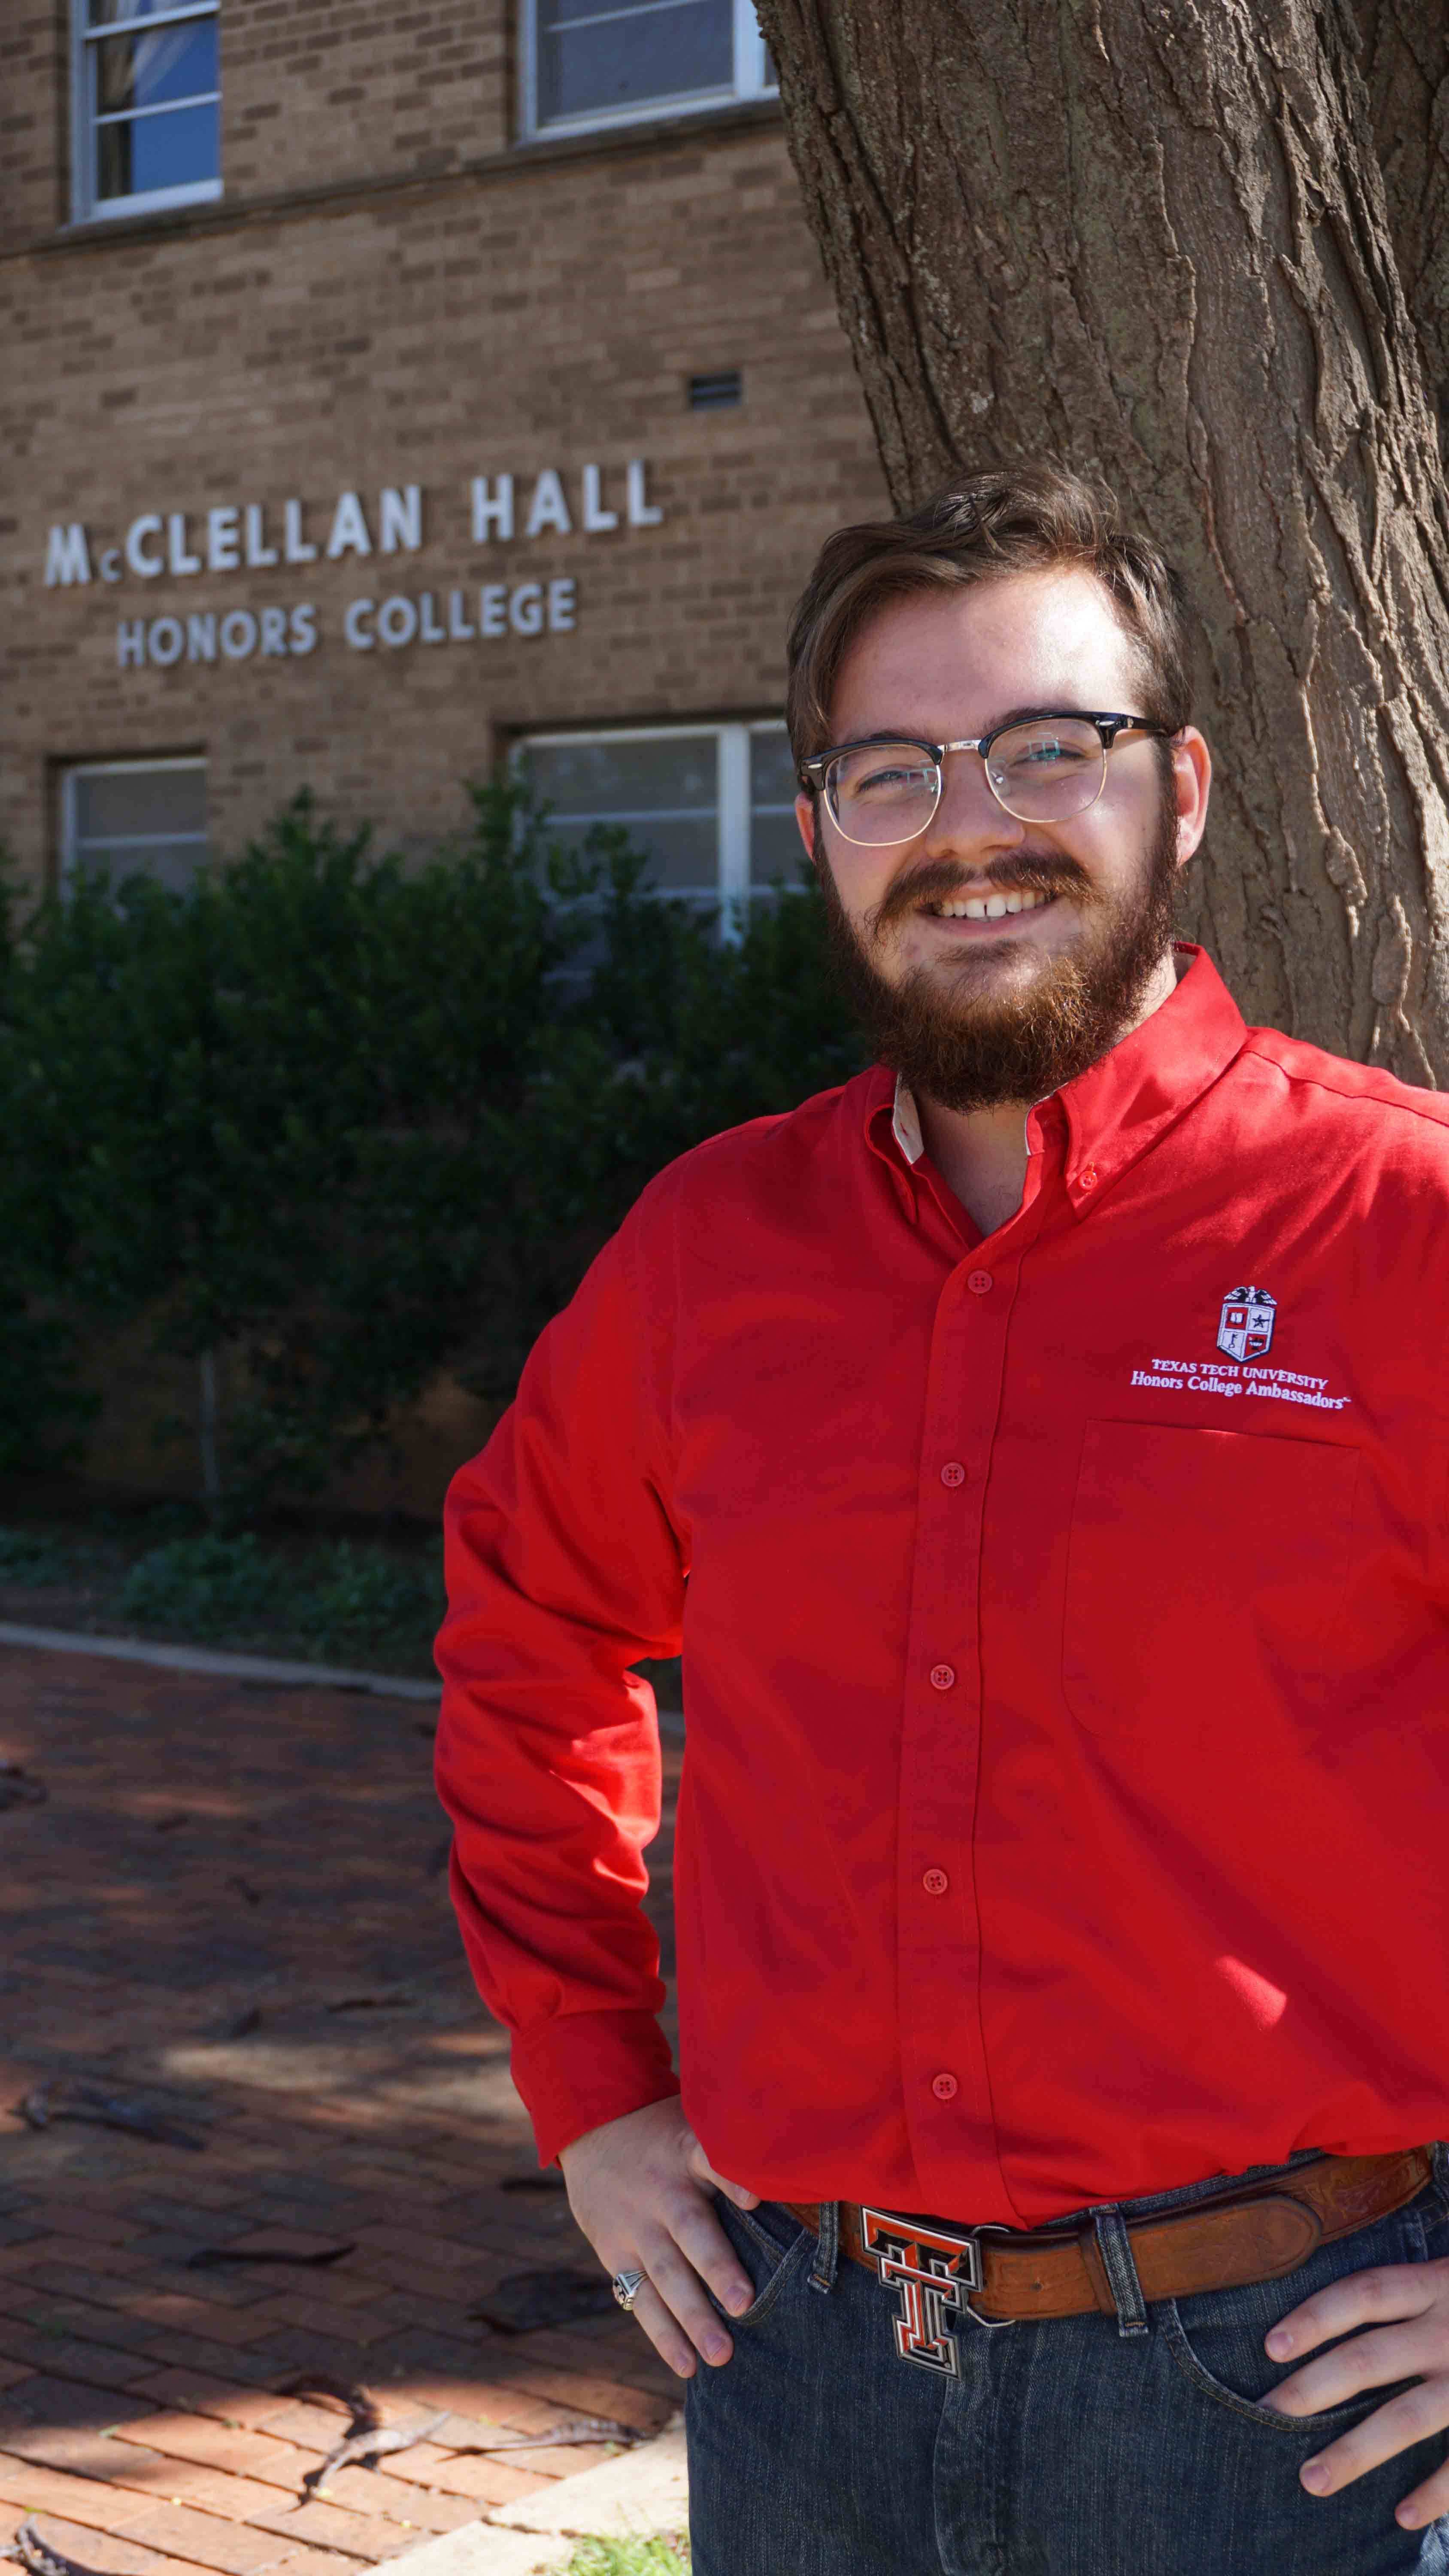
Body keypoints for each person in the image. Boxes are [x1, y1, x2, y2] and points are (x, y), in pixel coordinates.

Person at [434, 465, 1449, 2574]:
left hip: (1276, 2394)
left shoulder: (1397, 1224)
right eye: (891, 767)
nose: (969, 822)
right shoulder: (714, 1248)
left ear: (1178, 788)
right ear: (814, 832)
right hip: (800, 2363)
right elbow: (529, 1632)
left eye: (1045, 748)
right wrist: (593, 2091)